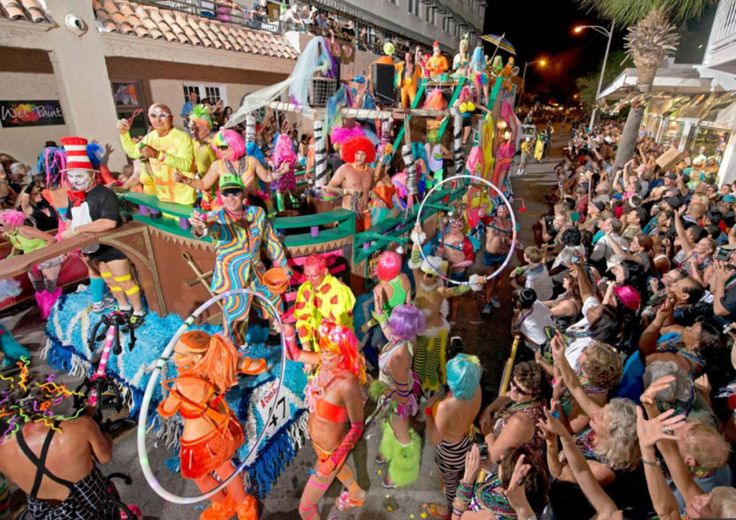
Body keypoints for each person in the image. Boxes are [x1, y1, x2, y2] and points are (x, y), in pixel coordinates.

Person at [157, 331, 265, 520]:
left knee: (202, 477)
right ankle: (242, 504)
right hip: (220, 433)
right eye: (175, 352)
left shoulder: (183, 385)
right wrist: (240, 363)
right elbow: (258, 366)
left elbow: (166, 411)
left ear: (197, 357)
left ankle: (225, 505)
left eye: (181, 354)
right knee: (225, 469)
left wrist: (170, 398)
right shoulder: (216, 368)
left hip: (199, 444)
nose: (175, 358)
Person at [0, 359, 127, 519]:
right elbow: (105, 456)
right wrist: (98, 430)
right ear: (48, 400)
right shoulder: (81, 427)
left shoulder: (3, 450)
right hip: (92, 508)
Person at [189, 174, 291, 342]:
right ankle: (237, 350)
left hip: (257, 273)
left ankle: (275, 337)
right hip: (233, 277)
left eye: (235, 192)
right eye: (226, 193)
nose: (230, 197)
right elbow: (206, 228)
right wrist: (199, 227)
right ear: (220, 196)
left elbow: (271, 240)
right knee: (236, 314)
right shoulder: (216, 217)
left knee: (273, 300)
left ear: (243, 194)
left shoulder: (257, 213)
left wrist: (284, 265)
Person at [58, 136, 146, 324]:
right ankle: (123, 307)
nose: (75, 180)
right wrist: (73, 243)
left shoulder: (105, 195)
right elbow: (69, 219)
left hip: (112, 247)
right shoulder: (73, 196)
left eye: (79, 175)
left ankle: (138, 311)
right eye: (71, 176)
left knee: (124, 280)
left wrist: (78, 230)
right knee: (110, 281)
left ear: (91, 174)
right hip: (91, 248)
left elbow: (109, 222)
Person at [285, 321, 367, 518]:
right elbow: (294, 354)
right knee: (340, 471)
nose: (324, 356)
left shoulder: (347, 384)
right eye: (323, 350)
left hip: (331, 453)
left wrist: (332, 461)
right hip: (318, 445)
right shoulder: (325, 361)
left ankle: (354, 490)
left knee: (305, 509)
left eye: (330, 353)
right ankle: (357, 493)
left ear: (343, 353)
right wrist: (288, 334)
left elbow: (357, 427)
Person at [409, 227, 486, 394]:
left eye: (430, 275)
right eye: (424, 273)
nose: (425, 277)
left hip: (436, 331)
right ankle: (419, 390)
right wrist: (416, 239)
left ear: (437, 276)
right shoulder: (419, 282)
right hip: (421, 330)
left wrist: (474, 282)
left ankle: (429, 391)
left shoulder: (440, 291)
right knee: (419, 361)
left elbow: (458, 290)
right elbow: (414, 260)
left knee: (433, 362)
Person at [372, 304, 425, 488]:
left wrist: (377, 387)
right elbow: (390, 336)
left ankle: (402, 472)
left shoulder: (398, 359)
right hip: (390, 396)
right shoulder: (407, 340)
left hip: (397, 402)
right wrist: (381, 317)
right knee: (388, 425)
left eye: (393, 323)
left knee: (402, 436)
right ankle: (387, 451)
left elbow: (402, 397)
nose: (390, 327)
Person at [425, 353, 483, 519]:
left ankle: (450, 511)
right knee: (463, 472)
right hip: (468, 440)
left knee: (451, 486)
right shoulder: (476, 389)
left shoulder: (445, 407)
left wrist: (429, 413)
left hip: (450, 452)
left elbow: (435, 439)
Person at [177, 129, 281, 211]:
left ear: (234, 145)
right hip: (228, 209)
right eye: (218, 148)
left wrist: (280, 172)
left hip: (252, 207)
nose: (220, 151)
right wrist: (185, 180)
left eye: (223, 147)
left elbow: (267, 177)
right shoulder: (217, 166)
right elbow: (203, 184)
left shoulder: (251, 161)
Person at [118, 103, 196, 205]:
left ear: (171, 118)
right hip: (163, 198)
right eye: (153, 116)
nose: (158, 120)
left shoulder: (182, 137)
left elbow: (187, 165)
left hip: (183, 200)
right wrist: (124, 134)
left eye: (162, 115)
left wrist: (157, 155)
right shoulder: (150, 137)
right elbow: (133, 152)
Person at [0, 210, 64, 318]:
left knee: (50, 287)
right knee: (38, 288)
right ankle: (46, 313)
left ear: (11, 222)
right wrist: (11, 257)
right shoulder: (9, 234)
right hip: (31, 261)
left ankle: (55, 314)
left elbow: (51, 239)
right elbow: (18, 245)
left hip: (46, 258)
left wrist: (42, 255)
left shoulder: (25, 229)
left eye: (1, 224)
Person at [293, 254, 356, 352]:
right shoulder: (305, 289)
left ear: (325, 271)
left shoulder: (340, 291)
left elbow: (338, 327)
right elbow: (302, 320)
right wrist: (307, 348)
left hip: (339, 349)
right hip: (317, 348)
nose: (309, 280)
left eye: (314, 276)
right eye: (306, 275)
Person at [325, 136, 377, 231]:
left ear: (368, 155)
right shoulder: (345, 169)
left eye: (363, 154)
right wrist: (346, 191)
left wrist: (375, 197)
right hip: (349, 215)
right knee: (351, 244)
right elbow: (329, 188)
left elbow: (371, 190)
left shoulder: (370, 172)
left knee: (366, 243)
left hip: (365, 215)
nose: (359, 158)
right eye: (357, 153)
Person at [483, 203, 513, 315]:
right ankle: (487, 303)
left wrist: (511, 243)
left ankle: (494, 297)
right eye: (499, 211)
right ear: (496, 212)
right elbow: (482, 216)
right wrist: (483, 210)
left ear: (507, 212)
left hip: (502, 255)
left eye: (504, 211)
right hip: (490, 256)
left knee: (499, 279)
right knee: (490, 280)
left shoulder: (511, 223)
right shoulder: (491, 221)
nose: (501, 213)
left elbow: (514, 240)